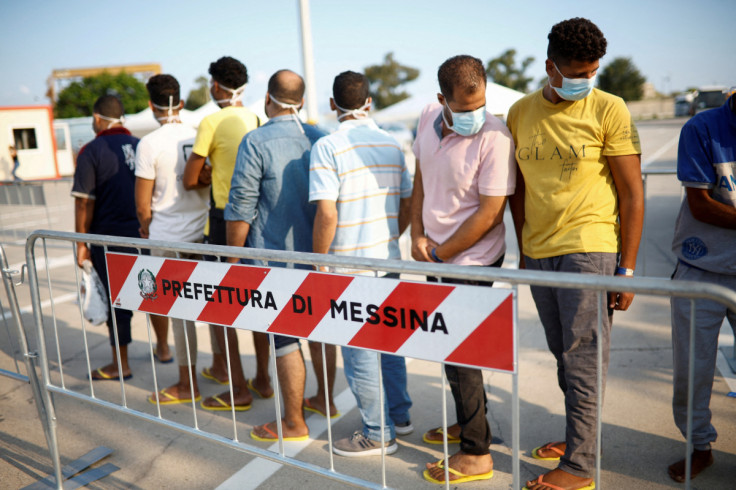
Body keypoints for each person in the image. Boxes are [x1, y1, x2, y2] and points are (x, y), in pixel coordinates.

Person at [507, 18, 643, 490]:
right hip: (540, 250)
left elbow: (631, 192)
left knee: (583, 356)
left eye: (593, 72)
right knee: (563, 354)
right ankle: (577, 439)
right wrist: (523, 244)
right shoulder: (520, 112)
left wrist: (625, 267)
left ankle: (581, 466)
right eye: (578, 73)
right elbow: (517, 187)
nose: (587, 82)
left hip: (591, 247)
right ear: (550, 67)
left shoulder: (610, 109)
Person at [411, 55, 516, 484]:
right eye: (465, 108)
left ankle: (477, 451)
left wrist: (440, 255)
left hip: (471, 260)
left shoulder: (496, 136)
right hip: (434, 254)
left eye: (481, 105)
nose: (477, 115)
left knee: (463, 355)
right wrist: (416, 235)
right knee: (449, 350)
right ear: (442, 100)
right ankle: (469, 423)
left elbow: (490, 213)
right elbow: (422, 176)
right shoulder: (426, 117)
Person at [309, 71, 413, 457]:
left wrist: (320, 262)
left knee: (360, 350)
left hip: (349, 264)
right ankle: (400, 416)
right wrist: (390, 236)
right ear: (369, 103)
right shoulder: (391, 143)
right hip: (386, 257)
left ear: (333, 105)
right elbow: (407, 201)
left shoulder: (328, 146)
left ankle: (376, 432)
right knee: (389, 340)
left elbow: (327, 213)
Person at [218, 69, 325, 436]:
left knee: (285, 339)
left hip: (273, 260)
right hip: (319, 257)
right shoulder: (320, 139)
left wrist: (231, 259)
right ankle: (324, 398)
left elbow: (241, 206)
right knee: (321, 331)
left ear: (267, 99)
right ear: (303, 102)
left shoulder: (255, 141)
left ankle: (294, 422)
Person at [183, 56, 269, 394]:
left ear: (216, 86)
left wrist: (207, 171)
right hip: (257, 221)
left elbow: (190, 179)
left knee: (221, 304)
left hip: (223, 220)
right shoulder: (257, 118)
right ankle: (262, 379)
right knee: (260, 302)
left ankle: (237, 387)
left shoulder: (211, 121)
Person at [71, 95, 171, 380]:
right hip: (146, 233)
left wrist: (81, 243)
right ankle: (163, 348)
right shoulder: (141, 145)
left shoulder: (92, 150)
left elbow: (83, 202)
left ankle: (121, 364)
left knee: (119, 300)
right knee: (153, 294)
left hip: (110, 236)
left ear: (98, 118)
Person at [667, 91, 736, 482]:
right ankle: (699, 446)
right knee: (692, 371)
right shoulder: (703, 127)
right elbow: (701, 205)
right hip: (702, 266)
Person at [134, 74, 209, 405]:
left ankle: (186, 382)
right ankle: (220, 367)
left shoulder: (149, 142)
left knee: (178, 312)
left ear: (152, 105)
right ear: (180, 101)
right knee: (212, 307)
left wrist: (146, 229)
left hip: (166, 236)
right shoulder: (198, 133)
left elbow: (142, 204)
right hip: (203, 233)